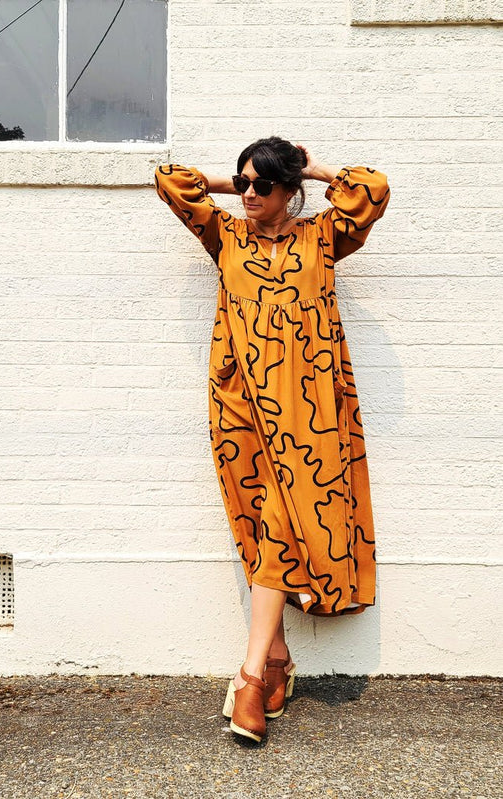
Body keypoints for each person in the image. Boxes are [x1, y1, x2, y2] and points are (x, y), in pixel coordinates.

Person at [155, 137, 390, 744]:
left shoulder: (323, 237)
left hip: (311, 410)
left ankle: (251, 676)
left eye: (264, 185)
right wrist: (239, 183)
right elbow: (171, 180)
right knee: (259, 522)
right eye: (245, 184)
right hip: (240, 402)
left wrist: (311, 169)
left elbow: (372, 190)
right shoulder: (226, 236)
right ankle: (279, 659)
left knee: (285, 522)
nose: (251, 194)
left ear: (291, 190)